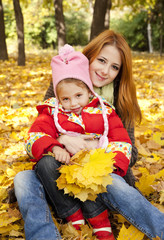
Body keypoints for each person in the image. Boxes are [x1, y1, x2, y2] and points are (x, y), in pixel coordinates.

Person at [14, 30, 164, 240]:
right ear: (89, 57)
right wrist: (62, 141)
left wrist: (97, 148)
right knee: (22, 179)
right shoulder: (62, 83)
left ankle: (160, 228)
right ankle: (44, 235)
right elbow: (40, 130)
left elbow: (131, 151)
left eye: (114, 67)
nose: (105, 71)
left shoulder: (118, 99)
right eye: (101, 61)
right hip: (58, 174)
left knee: (113, 181)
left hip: (100, 172)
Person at [24, 44, 132, 240]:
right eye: (65, 99)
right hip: (62, 170)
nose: (73, 103)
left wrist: (104, 156)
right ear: (58, 98)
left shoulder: (104, 111)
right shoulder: (53, 111)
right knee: (40, 168)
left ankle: (101, 223)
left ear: (89, 92)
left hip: (94, 167)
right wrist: (56, 145)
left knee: (89, 177)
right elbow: (34, 135)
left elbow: (122, 140)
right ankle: (74, 217)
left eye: (78, 96)